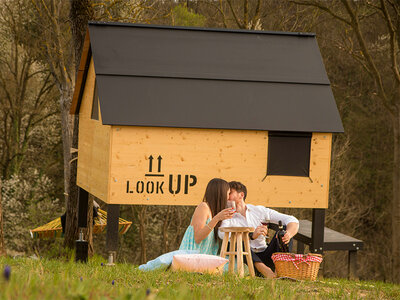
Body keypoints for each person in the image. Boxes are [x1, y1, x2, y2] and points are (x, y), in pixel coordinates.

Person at [218, 181, 299, 278]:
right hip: (248, 260)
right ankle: (264, 270)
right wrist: (251, 236)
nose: (226, 196)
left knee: (283, 231)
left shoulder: (259, 211)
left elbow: (291, 220)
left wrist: (288, 234)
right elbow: (221, 234)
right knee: (234, 242)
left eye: (230, 193)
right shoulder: (228, 215)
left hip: (266, 254)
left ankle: (282, 270)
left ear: (241, 195)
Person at [179, 178, 235, 255]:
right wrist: (217, 218)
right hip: (192, 257)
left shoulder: (215, 211)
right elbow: (197, 238)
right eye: (228, 193)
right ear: (220, 193)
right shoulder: (203, 207)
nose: (228, 197)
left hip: (206, 258)